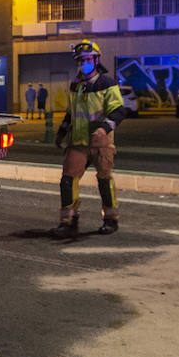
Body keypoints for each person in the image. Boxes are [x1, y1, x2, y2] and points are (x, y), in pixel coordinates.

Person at [51, 39, 134, 239]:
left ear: (96, 60)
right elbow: (71, 113)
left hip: (100, 143)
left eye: (87, 59)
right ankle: (68, 222)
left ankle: (111, 220)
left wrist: (105, 128)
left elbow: (119, 110)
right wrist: (62, 131)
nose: (83, 63)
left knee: (104, 181)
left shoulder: (107, 83)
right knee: (67, 181)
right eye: (80, 60)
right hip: (78, 142)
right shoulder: (76, 85)